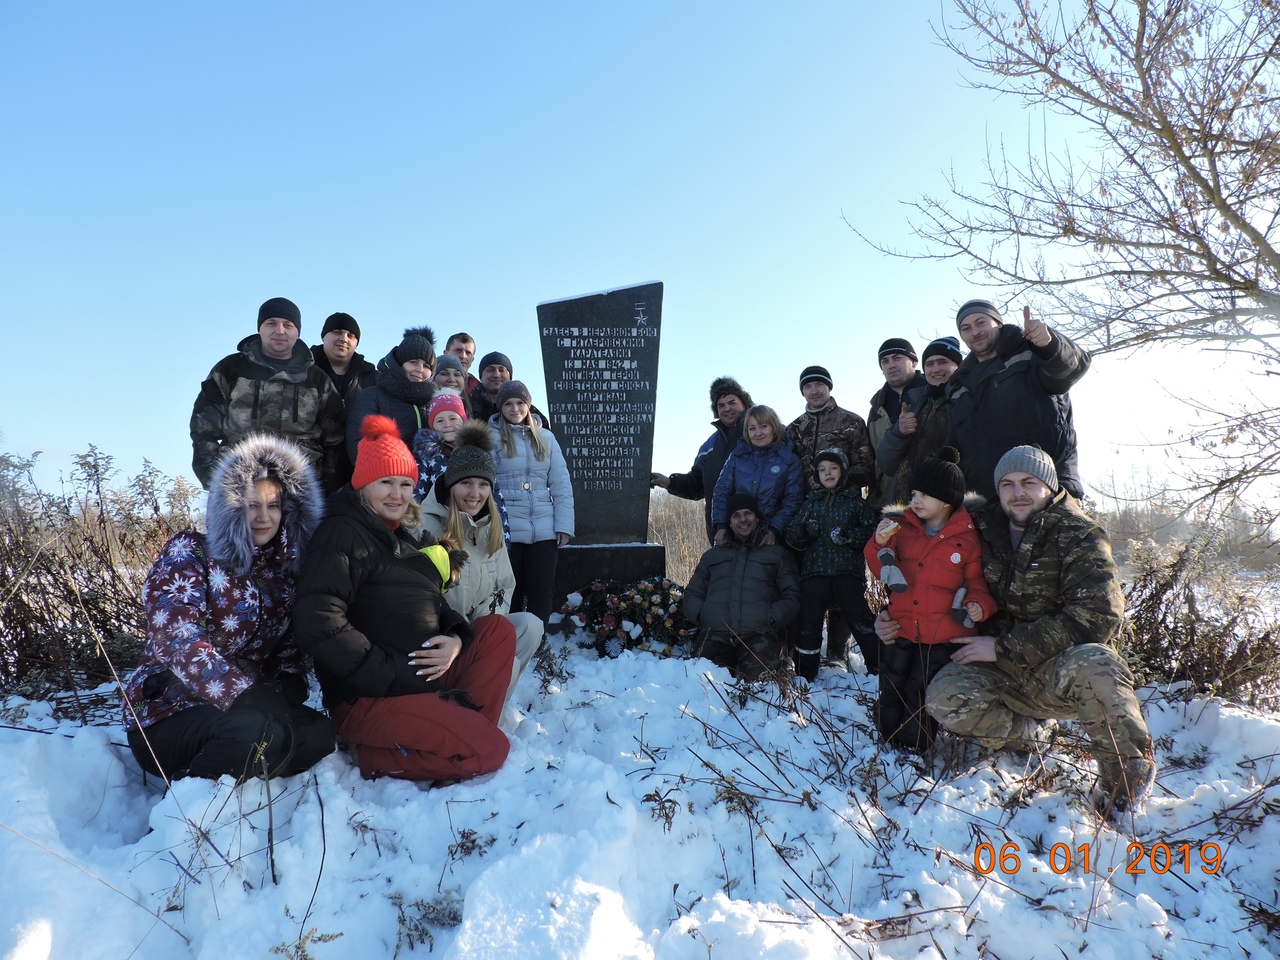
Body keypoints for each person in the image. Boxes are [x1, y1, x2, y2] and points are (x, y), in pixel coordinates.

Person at [899, 445, 1155, 815]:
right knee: (943, 696)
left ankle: (1124, 785)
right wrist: (892, 613)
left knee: (1099, 664)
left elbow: (1098, 616)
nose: (1017, 492)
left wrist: (1004, 647)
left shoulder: (1080, 535)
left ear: (1049, 486)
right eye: (1007, 484)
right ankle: (1029, 734)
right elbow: (927, 561)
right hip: (1000, 667)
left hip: (1055, 667)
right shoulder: (983, 528)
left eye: (1028, 483)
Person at [293, 415, 517, 782]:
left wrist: (457, 640)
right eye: (386, 482)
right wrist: (388, 674)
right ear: (363, 484)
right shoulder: (342, 534)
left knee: (496, 630)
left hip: (421, 678)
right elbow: (317, 619)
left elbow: (437, 603)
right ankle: (376, 757)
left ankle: (459, 730)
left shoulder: (401, 537)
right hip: (371, 696)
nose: (397, 494)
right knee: (491, 750)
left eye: (405, 483)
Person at [122, 434, 335, 782]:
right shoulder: (190, 552)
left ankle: (242, 768)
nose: (263, 517)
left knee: (317, 735)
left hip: (243, 711)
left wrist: (286, 683)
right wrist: (241, 693)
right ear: (231, 506)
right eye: (252, 504)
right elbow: (176, 638)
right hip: (168, 712)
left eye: (274, 505)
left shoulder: (282, 574)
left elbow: (285, 652)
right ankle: (184, 812)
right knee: (255, 732)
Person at [864, 447, 997, 751]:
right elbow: (880, 566)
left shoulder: (967, 537)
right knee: (892, 683)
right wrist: (878, 542)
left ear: (947, 500)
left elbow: (976, 581)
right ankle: (886, 738)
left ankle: (914, 747)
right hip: (903, 628)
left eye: (924, 494)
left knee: (919, 690)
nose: (915, 500)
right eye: (913, 493)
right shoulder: (901, 528)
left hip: (942, 635)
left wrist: (980, 606)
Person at [421, 422, 543, 707]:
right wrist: (458, 633)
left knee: (530, 625)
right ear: (451, 485)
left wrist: (485, 629)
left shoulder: (491, 529)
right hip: (442, 640)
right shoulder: (426, 527)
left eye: (483, 484)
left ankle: (489, 707)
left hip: (477, 633)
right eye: (466, 482)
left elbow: (504, 587)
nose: (475, 493)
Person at [191, 297, 345, 493]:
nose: (280, 331)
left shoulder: (317, 380)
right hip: (239, 487)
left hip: (301, 490)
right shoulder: (230, 369)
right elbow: (203, 427)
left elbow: (336, 438)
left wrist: (324, 486)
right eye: (271, 323)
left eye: (287, 325)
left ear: (297, 331)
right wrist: (213, 477)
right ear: (260, 328)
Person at [946, 301, 1091, 499]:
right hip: (986, 501)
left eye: (981, 322)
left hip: (1046, 491)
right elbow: (955, 448)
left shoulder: (1032, 352)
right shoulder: (959, 385)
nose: (975, 332)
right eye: (966, 328)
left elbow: (1070, 369)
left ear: (999, 323)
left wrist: (1050, 345)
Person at [683, 493, 801, 680]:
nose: (743, 519)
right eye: (736, 515)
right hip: (714, 635)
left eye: (748, 513)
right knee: (701, 685)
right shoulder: (712, 556)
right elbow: (692, 594)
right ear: (729, 522)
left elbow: (792, 596)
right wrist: (702, 614)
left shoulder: (776, 554)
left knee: (763, 688)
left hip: (757, 635)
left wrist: (770, 617)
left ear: (757, 517)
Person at [785, 449, 880, 681]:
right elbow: (792, 537)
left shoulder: (855, 503)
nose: (827, 473)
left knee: (860, 619)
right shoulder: (810, 504)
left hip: (847, 572)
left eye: (833, 468)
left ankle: (879, 668)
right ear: (816, 475)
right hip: (814, 573)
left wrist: (850, 536)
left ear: (843, 471)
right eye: (822, 469)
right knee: (809, 623)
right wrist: (805, 531)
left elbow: (872, 533)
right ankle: (804, 674)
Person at [488, 380, 575, 624]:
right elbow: (488, 484)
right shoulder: (490, 437)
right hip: (508, 529)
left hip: (544, 528)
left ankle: (538, 643)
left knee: (542, 591)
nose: (514, 408)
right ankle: (512, 644)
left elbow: (560, 482)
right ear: (500, 407)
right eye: (508, 404)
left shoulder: (546, 437)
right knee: (509, 592)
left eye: (520, 403)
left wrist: (563, 525)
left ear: (528, 405)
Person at [651, 376, 753, 545]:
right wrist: (669, 482)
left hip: (758, 534)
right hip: (721, 535)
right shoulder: (708, 446)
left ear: (744, 403)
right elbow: (697, 485)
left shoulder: (761, 433)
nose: (727, 408)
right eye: (721, 405)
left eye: (732, 402)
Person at [411, 390, 511, 540]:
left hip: (477, 535)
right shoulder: (426, 457)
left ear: (463, 420)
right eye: (440, 421)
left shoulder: (479, 454)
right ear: (431, 425)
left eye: (453, 418)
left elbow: (495, 499)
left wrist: (504, 539)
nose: (447, 425)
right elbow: (416, 497)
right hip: (440, 533)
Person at [875, 336, 962, 505]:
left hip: (945, 506)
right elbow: (885, 463)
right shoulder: (918, 402)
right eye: (929, 364)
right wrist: (899, 432)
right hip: (906, 503)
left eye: (942, 362)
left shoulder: (965, 399)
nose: (935, 369)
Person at [711, 405, 805, 549]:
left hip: (772, 537)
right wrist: (721, 526)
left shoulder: (789, 460)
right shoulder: (737, 456)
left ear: (774, 428)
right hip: (737, 535)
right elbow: (721, 492)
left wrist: (774, 530)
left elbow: (793, 501)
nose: (758, 433)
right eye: (752, 428)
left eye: (763, 426)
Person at [346, 326, 439, 463]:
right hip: (387, 478)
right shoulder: (373, 396)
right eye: (413, 362)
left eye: (426, 366)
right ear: (399, 364)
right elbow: (358, 446)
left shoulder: (436, 403)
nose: (420, 370)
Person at [311, 311, 378, 488]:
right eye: (337, 332)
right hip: (311, 469)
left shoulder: (372, 378)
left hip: (357, 471)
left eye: (351, 335)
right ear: (324, 336)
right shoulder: (304, 372)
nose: (344, 338)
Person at [785, 365, 874, 492]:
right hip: (803, 505)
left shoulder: (852, 422)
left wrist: (836, 479)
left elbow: (868, 468)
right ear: (803, 392)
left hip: (845, 503)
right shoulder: (793, 430)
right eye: (807, 386)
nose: (814, 391)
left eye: (819, 384)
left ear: (829, 387)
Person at [867, 338, 927, 507]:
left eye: (897, 358)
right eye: (885, 361)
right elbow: (872, 458)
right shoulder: (876, 408)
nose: (891, 365)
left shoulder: (932, 394)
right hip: (887, 501)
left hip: (928, 498)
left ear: (914, 362)